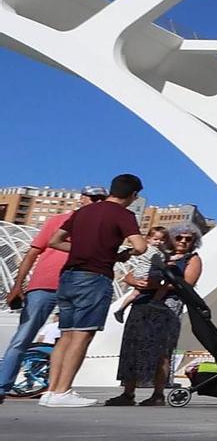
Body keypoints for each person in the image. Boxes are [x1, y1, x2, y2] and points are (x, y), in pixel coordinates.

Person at [41, 173, 148, 407]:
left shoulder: (83, 212)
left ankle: (51, 391)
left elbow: (55, 241)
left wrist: (82, 248)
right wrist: (123, 254)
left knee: (66, 334)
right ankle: (62, 392)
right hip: (94, 277)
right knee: (82, 334)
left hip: (69, 276)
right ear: (134, 195)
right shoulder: (123, 214)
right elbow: (140, 246)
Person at [1, 184, 103, 403]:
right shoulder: (56, 222)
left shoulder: (99, 227)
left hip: (77, 287)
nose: (95, 202)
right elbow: (31, 254)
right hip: (44, 286)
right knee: (23, 337)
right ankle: (2, 385)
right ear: (82, 198)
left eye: (100, 199)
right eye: (92, 198)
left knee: (69, 339)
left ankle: (57, 389)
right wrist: (18, 285)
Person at [108, 225, 201, 406]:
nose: (183, 241)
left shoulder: (192, 259)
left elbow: (187, 283)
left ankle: (158, 394)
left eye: (188, 239)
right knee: (133, 346)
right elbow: (129, 275)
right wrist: (135, 281)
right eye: (179, 237)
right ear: (171, 238)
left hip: (167, 306)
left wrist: (157, 286)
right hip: (142, 302)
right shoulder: (157, 254)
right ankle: (128, 392)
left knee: (161, 350)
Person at [110, 226, 170, 324]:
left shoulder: (154, 250)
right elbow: (158, 262)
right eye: (156, 239)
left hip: (142, 273)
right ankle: (155, 303)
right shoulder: (151, 250)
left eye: (162, 240)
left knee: (135, 293)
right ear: (148, 239)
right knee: (156, 289)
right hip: (146, 274)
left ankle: (122, 309)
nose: (158, 242)